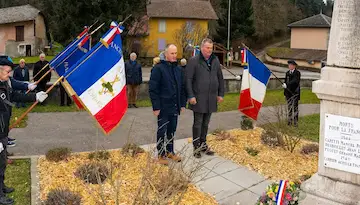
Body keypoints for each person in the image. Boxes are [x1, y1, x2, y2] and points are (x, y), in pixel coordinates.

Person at [0, 56, 48, 205]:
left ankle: (1, 187)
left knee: (2, 162)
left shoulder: (3, 83)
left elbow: (14, 95)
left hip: (3, 130)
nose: (9, 75)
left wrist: (34, 96)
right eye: (7, 72)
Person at [185, 38, 224, 158]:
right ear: (201, 48)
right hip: (198, 97)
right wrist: (190, 95)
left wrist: (220, 93)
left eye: (211, 48)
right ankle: (196, 147)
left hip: (211, 97)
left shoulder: (215, 60)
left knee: (206, 123)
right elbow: (188, 80)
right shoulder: (194, 61)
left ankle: (203, 144)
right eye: (207, 48)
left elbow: (220, 78)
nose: (209, 50)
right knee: (198, 123)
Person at [149, 44, 186, 165]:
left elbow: (182, 88)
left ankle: (170, 151)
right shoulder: (158, 69)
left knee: (172, 130)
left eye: (176, 53)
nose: (174, 56)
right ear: (166, 54)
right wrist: (156, 106)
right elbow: (153, 89)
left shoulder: (178, 69)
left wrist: (182, 104)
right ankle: (160, 154)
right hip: (163, 106)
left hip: (174, 106)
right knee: (162, 131)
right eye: (172, 53)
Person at [282, 60, 301, 126]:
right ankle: (289, 121)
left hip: (294, 93)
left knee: (295, 107)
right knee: (289, 107)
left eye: (290, 65)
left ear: (294, 66)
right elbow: (285, 81)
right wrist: (284, 86)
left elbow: (295, 81)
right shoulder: (287, 73)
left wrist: (287, 84)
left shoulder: (297, 73)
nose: (289, 66)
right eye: (289, 65)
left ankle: (296, 122)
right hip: (288, 93)